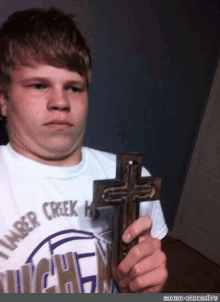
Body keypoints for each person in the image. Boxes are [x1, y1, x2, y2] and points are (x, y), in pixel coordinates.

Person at [0, 7, 168, 293]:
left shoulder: (133, 180)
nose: (61, 102)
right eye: (39, 85)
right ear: (4, 100)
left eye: (74, 88)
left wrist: (145, 286)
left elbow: (145, 280)